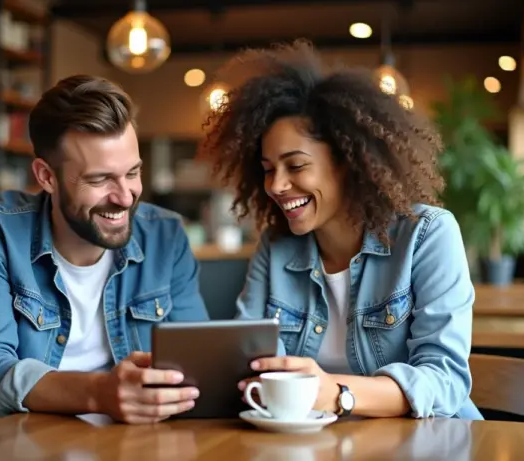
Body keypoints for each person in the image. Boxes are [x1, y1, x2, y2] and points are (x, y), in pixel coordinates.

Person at [198, 40, 482, 420]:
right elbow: (248, 359)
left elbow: (445, 381)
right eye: (268, 169)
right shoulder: (276, 247)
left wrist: (337, 393)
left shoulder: (426, 234)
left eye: (295, 166)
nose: (276, 185)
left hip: (428, 443)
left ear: (348, 163)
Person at [0, 75, 208, 432]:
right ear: (47, 177)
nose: (125, 197)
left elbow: (199, 362)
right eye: (100, 180)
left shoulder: (166, 235)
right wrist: (99, 393)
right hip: (14, 444)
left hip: (128, 443)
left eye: (133, 172)